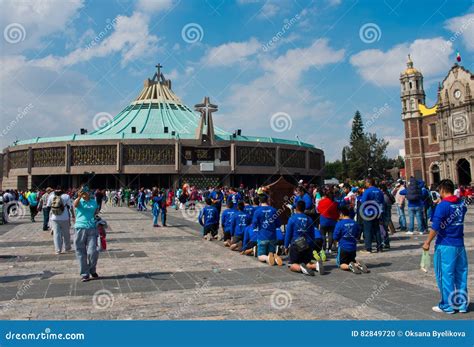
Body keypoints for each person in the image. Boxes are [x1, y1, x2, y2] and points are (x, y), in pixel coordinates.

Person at [422, 179, 468, 314]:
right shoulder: (461, 204)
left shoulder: (442, 206)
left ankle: (447, 305)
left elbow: (435, 227)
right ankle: (462, 304)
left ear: (442, 190)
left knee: (445, 275)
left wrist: (427, 242)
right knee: (461, 273)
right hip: (460, 244)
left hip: (445, 245)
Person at [285, 200, 323, 276]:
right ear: (304, 208)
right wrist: (311, 246)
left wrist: (286, 246)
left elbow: (288, 234)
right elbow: (312, 235)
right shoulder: (309, 219)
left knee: (292, 265)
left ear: (296, 208)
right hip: (307, 245)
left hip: (296, 244)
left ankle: (301, 268)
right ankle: (315, 266)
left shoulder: (292, 218)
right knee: (307, 262)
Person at [73, 186, 100, 282]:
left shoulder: (93, 202)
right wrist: (79, 197)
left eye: (85, 192)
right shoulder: (78, 201)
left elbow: (95, 213)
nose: (84, 193)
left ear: (89, 192)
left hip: (92, 228)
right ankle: (84, 273)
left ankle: (92, 269)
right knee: (80, 252)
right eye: (81, 191)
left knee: (93, 251)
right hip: (80, 228)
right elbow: (75, 205)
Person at [334, 205, 369, 274]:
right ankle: (358, 265)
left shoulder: (339, 223)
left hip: (343, 247)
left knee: (341, 264)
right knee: (351, 260)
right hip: (353, 247)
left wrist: (338, 240)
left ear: (341, 214)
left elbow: (335, 236)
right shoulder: (354, 223)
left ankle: (350, 266)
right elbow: (357, 234)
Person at [251, 194, 282, 266]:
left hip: (262, 237)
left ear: (259, 201)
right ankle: (274, 256)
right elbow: (278, 224)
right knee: (271, 251)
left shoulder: (257, 211)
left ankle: (267, 258)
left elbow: (254, 225)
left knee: (260, 256)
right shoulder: (274, 210)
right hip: (272, 236)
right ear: (267, 200)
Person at [360, 178, 384, 254]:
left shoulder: (367, 191)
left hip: (368, 213)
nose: (365, 184)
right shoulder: (379, 191)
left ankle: (368, 248)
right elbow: (382, 202)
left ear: (369, 183)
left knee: (367, 231)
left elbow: (363, 202)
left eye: (366, 183)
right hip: (377, 212)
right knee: (377, 229)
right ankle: (379, 247)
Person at [48, 187, 73, 254]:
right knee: (66, 233)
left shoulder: (51, 196)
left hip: (54, 218)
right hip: (65, 217)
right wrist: (73, 215)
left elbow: (48, 206)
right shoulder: (66, 196)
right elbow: (70, 206)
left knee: (56, 234)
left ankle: (58, 249)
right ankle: (67, 248)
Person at [317, 188, 339, 254]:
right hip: (332, 221)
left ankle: (323, 248)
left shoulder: (321, 201)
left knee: (323, 235)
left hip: (323, 220)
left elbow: (318, 209)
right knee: (331, 234)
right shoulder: (335, 203)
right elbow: (337, 212)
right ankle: (329, 248)